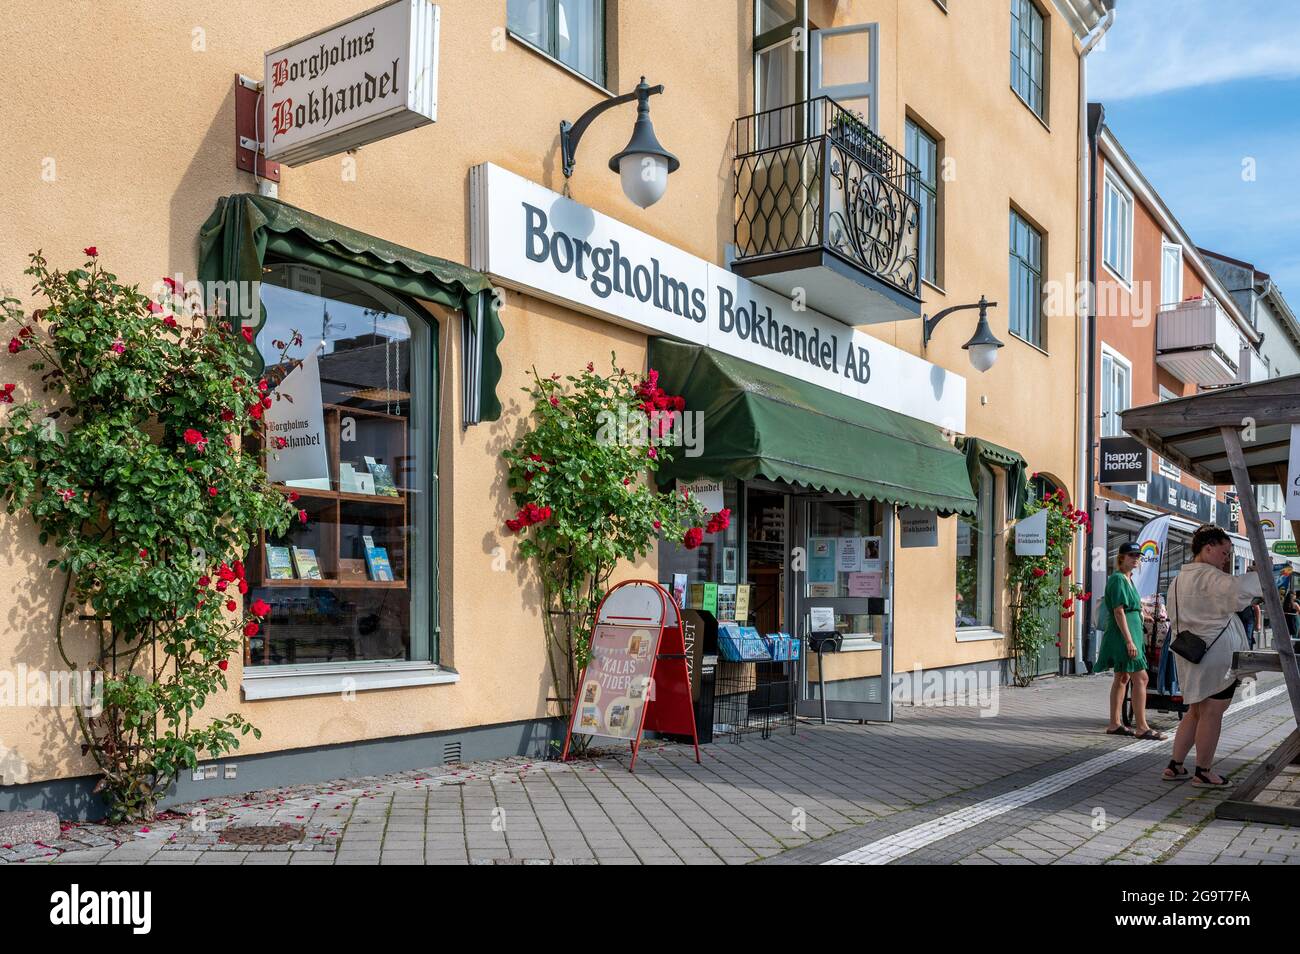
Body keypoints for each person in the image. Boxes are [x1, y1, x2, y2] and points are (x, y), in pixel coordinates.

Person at [1162, 525, 1262, 787]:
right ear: (1208, 549)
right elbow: (1240, 594)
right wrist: (1261, 574)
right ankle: (1203, 771)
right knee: (1212, 713)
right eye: (1224, 552)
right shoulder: (1210, 577)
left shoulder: (1178, 579)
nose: (1226, 558)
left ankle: (1175, 765)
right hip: (1216, 657)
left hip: (1190, 653)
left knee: (1194, 711)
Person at [1096, 542, 1165, 741]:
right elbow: (1118, 611)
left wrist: (1144, 615)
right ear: (1122, 557)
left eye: (1138, 555)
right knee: (1141, 678)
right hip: (1123, 635)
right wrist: (1129, 641)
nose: (1136, 558)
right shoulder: (1118, 579)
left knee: (1122, 678)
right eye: (1132, 555)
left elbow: (1131, 606)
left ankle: (1115, 724)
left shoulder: (1128, 579)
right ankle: (1142, 727)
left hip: (1131, 632)